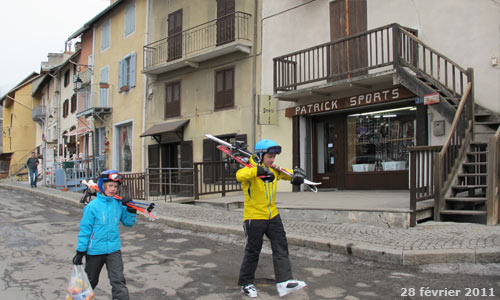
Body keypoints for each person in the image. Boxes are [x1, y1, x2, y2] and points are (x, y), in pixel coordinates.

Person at [236, 139, 307, 298]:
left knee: (281, 246)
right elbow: (239, 175)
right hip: (254, 217)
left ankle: (284, 282)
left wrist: (297, 175)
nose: (273, 160)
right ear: (261, 155)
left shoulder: (273, 169)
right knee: (253, 250)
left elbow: (286, 174)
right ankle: (246, 283)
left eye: (274, 156)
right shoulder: (249, 169)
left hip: (273, 215)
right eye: (270, 156)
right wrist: (258, 171)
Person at [72, 170, 137, 300]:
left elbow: (128, 223)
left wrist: (131, 210)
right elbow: (85, 230)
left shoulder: (118, 204)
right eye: (110, 186)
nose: (113, 189)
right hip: (95, 250)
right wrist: (80, 251)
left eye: (116, 187)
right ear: (103, 186)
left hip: (113, 249)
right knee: (90, 281)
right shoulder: (92, 206)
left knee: (118, 281)